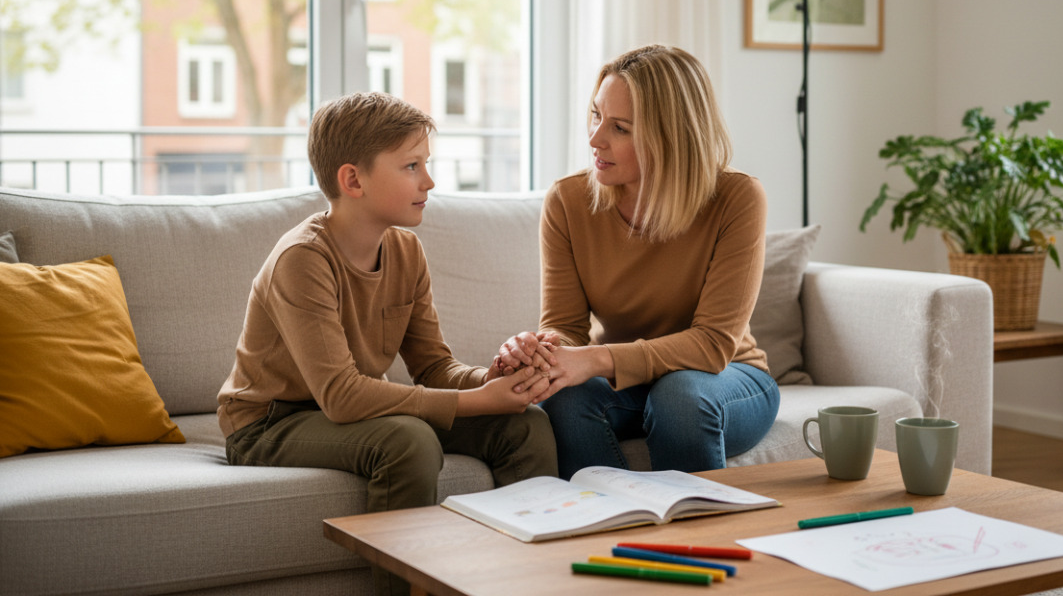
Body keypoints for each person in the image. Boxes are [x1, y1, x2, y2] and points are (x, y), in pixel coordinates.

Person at [216, 92, 557, 596]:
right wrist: (471, 401)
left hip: (351, 414)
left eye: (427, 164)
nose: (430, 181)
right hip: (270, 423)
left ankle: (523, 585)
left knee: (524, 427)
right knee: (407, 441)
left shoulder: (405, 250)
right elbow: (342, 395)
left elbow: (434, 366)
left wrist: (494, 379)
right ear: (352, 180)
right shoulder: (302, 260)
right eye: (412, 166)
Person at [496, 44, 780, 478]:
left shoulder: (736, 198)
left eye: (621, 128)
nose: (595, 139)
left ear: (671, 135)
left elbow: (713, 344)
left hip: (725, 378)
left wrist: (594, 359)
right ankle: (612, 525)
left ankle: (695, 538)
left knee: (679, 396)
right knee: (563, 396)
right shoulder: (568, 202)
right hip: (626, 384)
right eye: (596, 116)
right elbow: (566, 328)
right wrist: (539, 352)